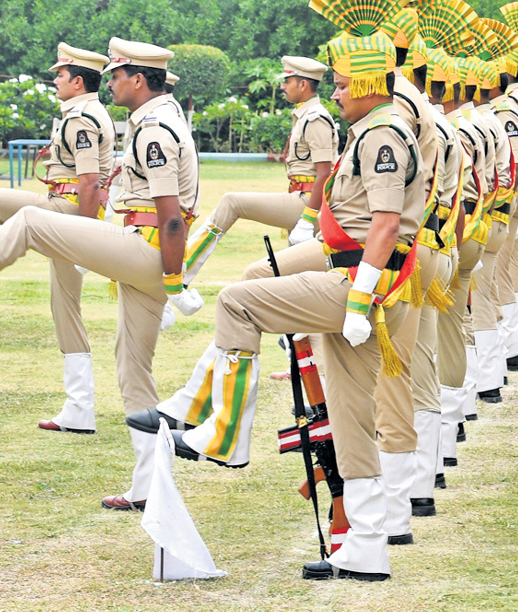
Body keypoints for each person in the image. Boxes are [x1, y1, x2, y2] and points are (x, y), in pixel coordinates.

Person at [0, 38, 199, 510]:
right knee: (133, 371)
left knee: (29, 220)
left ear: (137, 79)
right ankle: (147, 489)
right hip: (149, 253)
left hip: (147, 252)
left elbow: (171, 217)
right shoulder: (157, 120)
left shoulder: (155, 129)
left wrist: (173, 281)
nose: (108, 82)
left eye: (114, 75)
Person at [0, 44, 116, 434]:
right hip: (69, 210)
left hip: (66, 211)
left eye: (61, 75)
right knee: (64, 306)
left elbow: (87, 182)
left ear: (78, 81)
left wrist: (82, 234)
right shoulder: (86, 112)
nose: (54, 80)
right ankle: (80, 409)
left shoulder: (81, 117)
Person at [183, 56, 339, 290]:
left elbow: (325, 173)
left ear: (303, 84)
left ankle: (183, 270)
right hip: (302, 198)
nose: (283, 86)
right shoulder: (305, 115)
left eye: (288, 81)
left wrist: (307, 218)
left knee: (232, 202)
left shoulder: (315, 119)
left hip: (309, 202)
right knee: (297, 281)